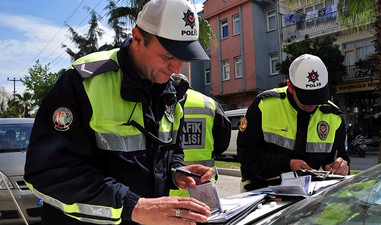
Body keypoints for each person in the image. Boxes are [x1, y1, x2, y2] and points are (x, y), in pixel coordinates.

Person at [24, 0, 215, 224]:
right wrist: (134, 206)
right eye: (167, 56)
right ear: (137, 39)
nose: (176, 68)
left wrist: (175, 171)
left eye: (183, 58)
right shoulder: (84, 82)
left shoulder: (170, 91)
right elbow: (48, 173)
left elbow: (172, 150)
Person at [237, 54, 350, 192]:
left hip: (310, 193)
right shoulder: (264, 106)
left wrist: (341, 166)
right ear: (290, 86)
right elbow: (246, 154)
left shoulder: (334, 116)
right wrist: (287, 164)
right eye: (307, 97)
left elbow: (340, 158)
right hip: (261, 189)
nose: (312, 103)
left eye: (318, 95)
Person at [169, 74, 231, 197]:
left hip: (169, 187)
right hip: (202, 185)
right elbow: (222, 143)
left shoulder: (162, 101)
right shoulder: (209, 103)